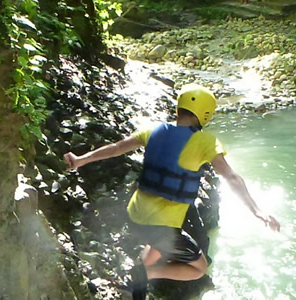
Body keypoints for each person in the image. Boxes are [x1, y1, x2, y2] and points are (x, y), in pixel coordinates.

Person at [62, 85, 281, 299]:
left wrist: (81, 160)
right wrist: (257, 210)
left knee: (155, 247)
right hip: (161, 224)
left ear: (179, 109)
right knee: (199, 268)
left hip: (135, 215)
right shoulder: (206, 141)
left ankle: (133, 283)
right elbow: (231, 177)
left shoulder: (154, 130)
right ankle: (145, 274)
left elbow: (116, 148)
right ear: (206, 113)